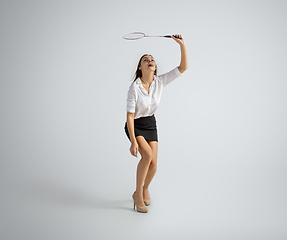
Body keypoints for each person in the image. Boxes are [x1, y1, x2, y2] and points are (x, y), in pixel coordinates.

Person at [124, 34, 188, 213]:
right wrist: (133, 141)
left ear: (154, 67)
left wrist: (181, 44)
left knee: (154, 164)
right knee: (147, 155)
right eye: (145, 60)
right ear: (140, 67)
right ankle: (137, 194)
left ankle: (145, 188)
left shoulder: (160, 82)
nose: (150, 61)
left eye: (152, 59)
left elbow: (184, 67)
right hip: (135, 124)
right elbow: (129, 116)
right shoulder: (134, 88)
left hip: (150, 123)